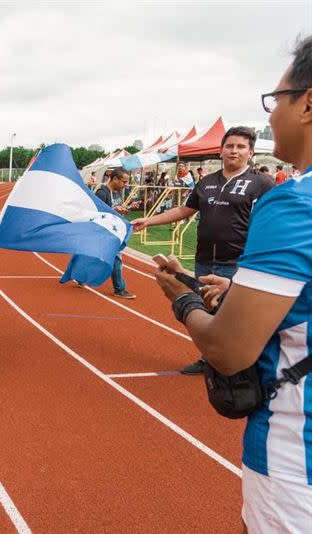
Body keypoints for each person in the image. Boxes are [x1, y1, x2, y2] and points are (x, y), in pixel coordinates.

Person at [155, 35, 312, 532]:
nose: (269, 117)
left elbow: (227, 351)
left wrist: (179, 296)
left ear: (308, 103)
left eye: (275, 100)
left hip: (294, 454)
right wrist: (246, 294)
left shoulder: (291, 202)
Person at [132, 127, 274, 374]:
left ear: (251, 152)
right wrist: (149, 220)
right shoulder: (207, 182)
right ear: (220, 150)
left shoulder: (262, 184)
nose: (234, 150)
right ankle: (209, 359)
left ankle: (239, 366)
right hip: (205, 260)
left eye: (241, 146)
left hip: (238, 263)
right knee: (206, 311)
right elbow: (183, 211)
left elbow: (272, 224)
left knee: (236, 316)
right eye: (229, 146)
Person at [94, 168, 136, 299]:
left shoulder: (117, 193)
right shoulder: (102, 193)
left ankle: (80, 275)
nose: (126, 185)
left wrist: (127, 208)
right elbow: (98, 213)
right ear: (115, 179)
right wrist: (114, 209)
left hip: (115, 230)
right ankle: (119, 289)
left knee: (92, 256)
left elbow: (116, 212)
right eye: (124, 181)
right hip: (106, 232)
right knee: (116, 258)